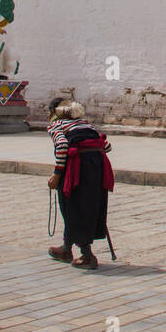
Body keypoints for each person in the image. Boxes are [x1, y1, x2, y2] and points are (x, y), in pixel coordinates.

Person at [46, 98, 114, 270]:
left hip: (78, 169)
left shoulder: (57, 125)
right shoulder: (85, 124)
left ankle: (87, 255)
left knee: (73, 206)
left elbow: (61, 146)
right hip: (97, 167)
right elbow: (106, 146)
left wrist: (57, 174)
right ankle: (66, 249)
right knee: (87, 206)